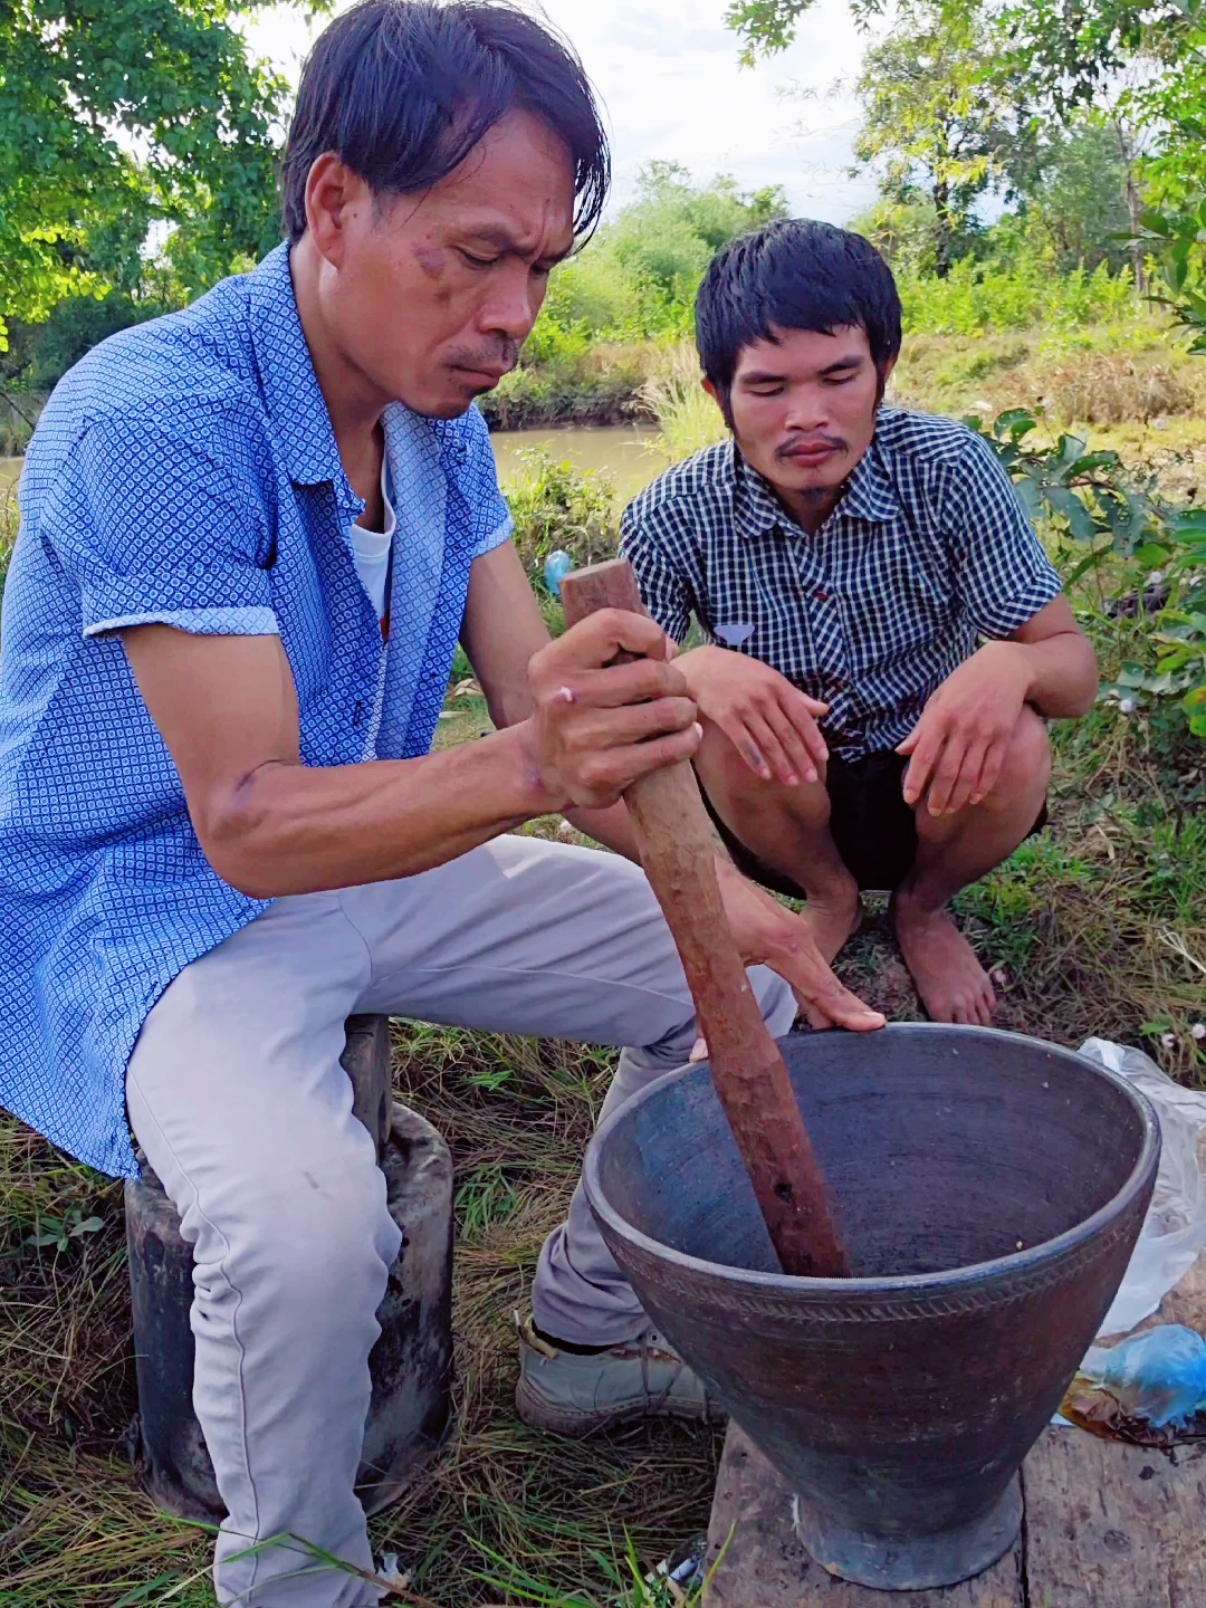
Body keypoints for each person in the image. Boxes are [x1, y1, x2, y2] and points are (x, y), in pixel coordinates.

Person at [0, 7, 884, 1604]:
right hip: (156, 909)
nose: (509, 316)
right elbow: (252, 820)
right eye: (474, 256)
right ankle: (299, 1579)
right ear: (333, 203)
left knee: (743, 976)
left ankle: (594, 1334)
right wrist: (542, 765)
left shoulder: (439, 426)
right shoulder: (160, 420)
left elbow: (547, 713)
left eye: (538, 268)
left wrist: (745, 906)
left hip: (386, 845)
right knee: (298, 1225)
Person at [620, 219, 1099, 1027]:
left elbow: (1074, 670)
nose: (807, 417)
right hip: (781, 808)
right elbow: (623, 718)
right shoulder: (671, 513)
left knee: (1018, 730)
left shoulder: (948, 469)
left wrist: (1011, 666)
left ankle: (922, 908)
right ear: (718, 396)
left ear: (884, 368)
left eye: (840, 376)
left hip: (934, 787)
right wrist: (691, 672)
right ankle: (829, 895)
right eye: (768, 389)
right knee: (716, 717)